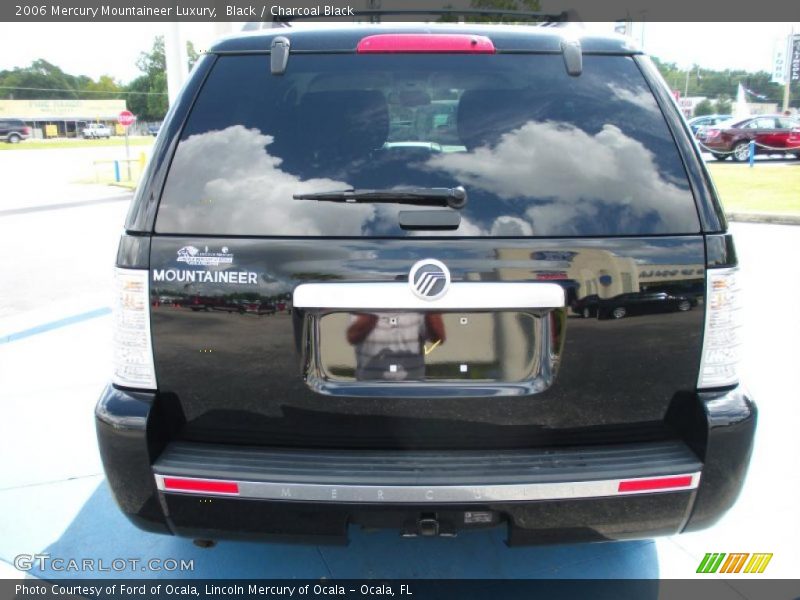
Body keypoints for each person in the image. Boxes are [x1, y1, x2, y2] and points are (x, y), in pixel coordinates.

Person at [347, 312, 446, 381]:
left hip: (412, 389)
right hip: (369, 388)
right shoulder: (364, 298)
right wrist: (376, 308)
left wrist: (427, 303)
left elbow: (439, 338)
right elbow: (353, 337)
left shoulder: (418, 297)